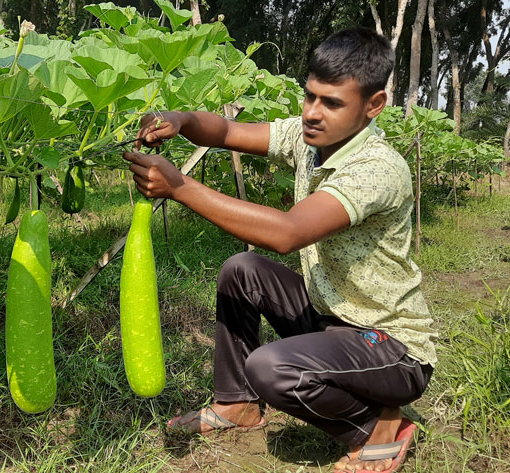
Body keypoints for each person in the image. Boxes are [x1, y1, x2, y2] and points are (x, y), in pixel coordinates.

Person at [122, 28, 437, 473]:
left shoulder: (377, 169)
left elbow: (288, 233)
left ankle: (377, 427)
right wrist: (181, 119)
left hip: (392, 348)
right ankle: (237, 404)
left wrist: (179, 186)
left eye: (331, 103)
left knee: (271, 367)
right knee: (242, 270)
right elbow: (227, 130)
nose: (312, 113)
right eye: (309, 96)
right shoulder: (310, 139)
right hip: (332, 315)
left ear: (374, 105)